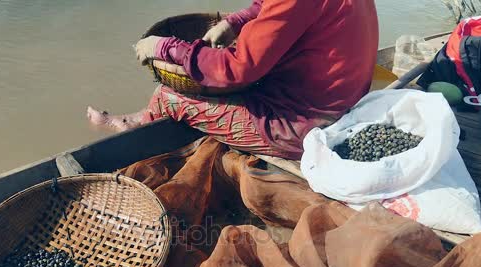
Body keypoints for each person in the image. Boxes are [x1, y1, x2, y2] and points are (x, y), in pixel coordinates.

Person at [87, 0, 378, 159]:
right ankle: (142, 119)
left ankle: (136, 124)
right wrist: (234, 21)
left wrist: (164, 47)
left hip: (304, 125)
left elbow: (237, 70)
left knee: (169, 94)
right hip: (346, 99)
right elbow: (271, 7)